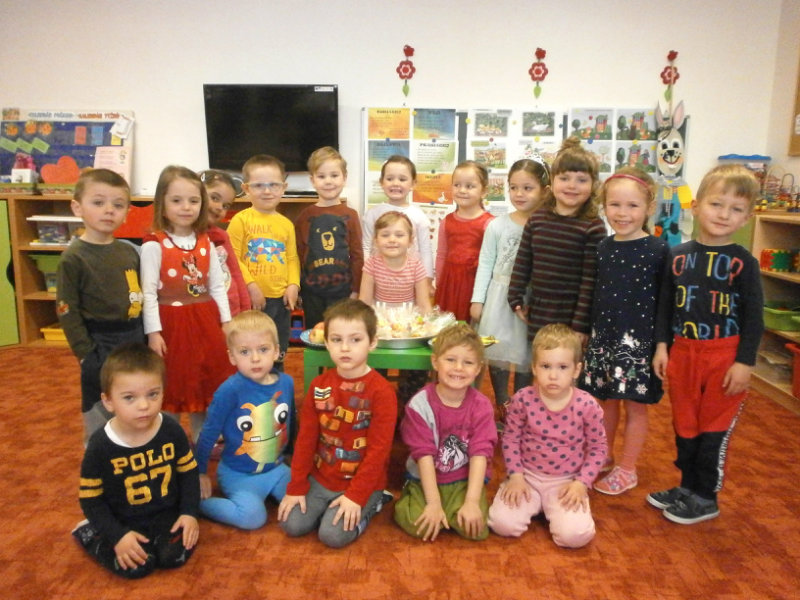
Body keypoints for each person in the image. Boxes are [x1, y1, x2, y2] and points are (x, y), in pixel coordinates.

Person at [649, 164, 764, 524]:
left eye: (736, 209)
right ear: (696, 206)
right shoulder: (677, 255)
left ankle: (706, 497)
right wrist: (662, 346)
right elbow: (665, 306)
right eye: (717, 204)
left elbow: (754, 316)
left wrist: (744, 362)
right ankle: (687, 486)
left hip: (724, 357)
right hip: (683, 353)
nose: (724, 214)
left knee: (713, 428)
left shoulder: (744, 262)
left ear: (746, 217)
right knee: (684, 424)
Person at [72, 343, 200, 579]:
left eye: (153, 394)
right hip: (121, 519)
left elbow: (188, 474)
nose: (144, 406)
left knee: (172, 557)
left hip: (165, 515)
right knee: (137, 567)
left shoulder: (171, 430)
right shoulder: (100, 445)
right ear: (108, 401)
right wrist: (117, 536)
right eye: (129, 398)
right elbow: (91, 499)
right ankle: (89, 533)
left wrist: (189, 512)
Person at [277, 299, 397, 548]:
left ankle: (376, 501)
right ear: (327, 343)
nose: (345, 348)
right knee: (292, 524)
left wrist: (356, 496)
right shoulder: (319, 385)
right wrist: (296, 486)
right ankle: (330, 509)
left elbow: (379, 452)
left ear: (372, 342)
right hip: (322, 478)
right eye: (336, 339)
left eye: (355, 340)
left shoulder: (382, 392)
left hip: (362, 483)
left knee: (332, 536)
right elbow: (305, 440)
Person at [581, 167, 670, 496]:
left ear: (649, 207)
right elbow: (596, 293)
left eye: (632, 205)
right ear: (604, 206)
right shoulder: (603, 247)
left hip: (638, 345)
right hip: (604, 339)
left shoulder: (659, 250)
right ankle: (603, 455)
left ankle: (628, 468)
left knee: (634, 405)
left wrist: (662, 346)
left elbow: (665, 304)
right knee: (605, 401)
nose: (622, 213)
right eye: (615, 205)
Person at [488, 324, 607, 549]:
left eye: (562, 367)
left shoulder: (587, 405)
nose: (553, 375)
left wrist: (581, 483)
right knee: (501, 524)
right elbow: (511, 439)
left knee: (575, 536)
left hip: (566, 482)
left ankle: (556, 510)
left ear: (576, 370)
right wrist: (515, 476)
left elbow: (598, 449)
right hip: (527, 478)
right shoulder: (522, 399)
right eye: (545, 366)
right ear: (534, 367)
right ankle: (535, 505)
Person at [140, 165, 234, 440]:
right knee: (174, 382)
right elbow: (148, 293)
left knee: (204, 380)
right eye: (176, 200)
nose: (186, 207)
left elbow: (217, 286)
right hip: (172, 324)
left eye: (193, 200)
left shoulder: (206, 241)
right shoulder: (154, 244)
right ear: (162, 203)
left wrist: (226, 322)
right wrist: (153, 333)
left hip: (205, 320)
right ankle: (167, 440)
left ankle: (203, 440)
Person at [56, 168, 145, 443]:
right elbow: (67, 310)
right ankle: (99, 451)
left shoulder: (129, 251)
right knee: (101, 401)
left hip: (134, 336)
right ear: (77, 207)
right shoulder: (74, 258)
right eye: (98, 202)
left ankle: (135, 444)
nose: (109, 211)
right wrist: (85, 353)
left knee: (136, 393)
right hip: (99, 342)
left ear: (127, 212)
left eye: (118, 205)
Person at [393, 322, 497, 542]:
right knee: (419, 526)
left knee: (475, 531)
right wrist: (433, 504)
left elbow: (480, 453)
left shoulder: (482, 406)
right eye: (450, 359)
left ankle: (453, 511)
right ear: (435, 362)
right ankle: (414, 499)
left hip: (463, 480)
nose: (458, 368)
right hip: (424, 478)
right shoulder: (419, 405)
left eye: (468, 362)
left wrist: (471, 502)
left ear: (478, 369)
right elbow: (424, 455)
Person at [195, 310, 294, 529]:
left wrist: (292, 457)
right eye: (244, 352)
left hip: (277, 470)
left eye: (263, 349)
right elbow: (208, 433)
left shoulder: (286, 382)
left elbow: (291, 423)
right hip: (238, 474)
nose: (255, 358)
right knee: (252, 518)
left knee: (302, 502)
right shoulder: (229, 390)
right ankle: (198, 505)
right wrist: (200, 472)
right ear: (232, 357)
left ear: (276, 351)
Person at [507, 137, 607, 346]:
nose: (572, 186)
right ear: (552, 182)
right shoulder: (537, 219)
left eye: (581, 180)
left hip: (572, 317)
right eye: (564, 178)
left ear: (593, 185)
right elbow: (523, 262)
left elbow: (590, 282)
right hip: (539, 311)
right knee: (541, 360)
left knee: (566, 363)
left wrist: (580, 324)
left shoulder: (593, 227)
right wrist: (515, 296)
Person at [470, 158, 550, 413]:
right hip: (499, 298)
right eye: (513, 187)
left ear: (544, 191)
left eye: (527, 188)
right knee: (498, 351)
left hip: (529, 300)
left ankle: (520, 405)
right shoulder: (497, 225)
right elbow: (485, 264)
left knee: (526, 354)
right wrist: (477, 300)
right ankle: (502, 402)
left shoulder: (546, 226)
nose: (519, 194)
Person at [226, 155, 300, 368]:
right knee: (252, 348)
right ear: (246, 189)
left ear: (283, 187)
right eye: (259, 185)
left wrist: (293, 285)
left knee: (277, 348)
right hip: (252, 299)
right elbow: (231, 257)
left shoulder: (286, 224)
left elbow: (292, 258)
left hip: (281, 300)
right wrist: (251, 286)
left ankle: (277, 383)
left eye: (273, 185)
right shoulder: (241, 220)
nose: (267, 191)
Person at [294, 147, 364, 329]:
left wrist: (356, 290)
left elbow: (357, 255)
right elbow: (298, 255)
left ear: (344, 178)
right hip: (312, 293)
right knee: (314, 335)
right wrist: (298, 288)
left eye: (334, 175)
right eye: (321, 176)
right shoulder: (305, 216)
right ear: (312, 180)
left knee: (341, 332)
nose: (328, 181)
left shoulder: (351, 215)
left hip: (343, 292)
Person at [435, 160, 494, 322]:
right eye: (457, 185)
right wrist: (439, 284)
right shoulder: (446, 221)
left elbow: (491, 263)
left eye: (469, 186)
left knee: (470, 329)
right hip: (449, 284)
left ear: (484, 191)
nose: (462, 190)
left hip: (474, 286)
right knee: (447, 327)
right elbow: (441, 255)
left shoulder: (489, 224)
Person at [361, 155, 433, 282]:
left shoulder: (418, 216)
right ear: (381, 182)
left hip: (410, 279)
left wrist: (427, 279)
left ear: (413, 184)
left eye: (402, 179)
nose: (395, 183)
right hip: (379, 278)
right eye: (389, 179)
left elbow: (425, 250)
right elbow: (366, 246)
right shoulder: (372, 214)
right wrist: (367, 276)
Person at [200, 169, 251, 317]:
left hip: (232, 312)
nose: (219, 208)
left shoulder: (221, 236)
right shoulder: (185, 237)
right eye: (214, 198)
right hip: (206, 314)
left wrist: (246, 311)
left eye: (226, 206)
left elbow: (236, 274)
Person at [359, 211, 432, 312]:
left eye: (399, 235)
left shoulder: (416, 267)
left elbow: (424, 306)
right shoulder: (371, 265)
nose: (392, 239)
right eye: (385, 235)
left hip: (408, 318)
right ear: (376, 241)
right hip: (379, 316)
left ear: (410, 241)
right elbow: (364, 303)